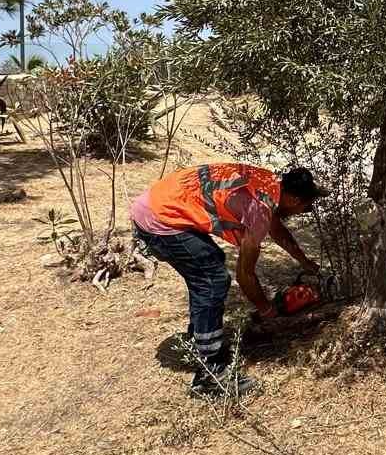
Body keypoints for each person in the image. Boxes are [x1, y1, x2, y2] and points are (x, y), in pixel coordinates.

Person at [131, 163, 328, 397]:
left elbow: (277, 229)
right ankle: (211, 373)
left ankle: (199, 341)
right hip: (160, 219)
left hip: (156, 204)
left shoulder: (269, 184)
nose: (304, 211)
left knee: (208, 266)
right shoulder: (260, 208)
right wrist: (267, 312)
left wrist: (306, 263)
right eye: (307, 207)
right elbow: (245, 275)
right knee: (212, 280)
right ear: (294, 200)